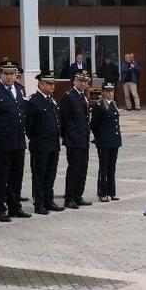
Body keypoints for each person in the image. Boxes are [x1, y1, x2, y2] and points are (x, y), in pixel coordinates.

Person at [0, 60, 31, 223]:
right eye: (6, 74)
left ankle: (15, 206)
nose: (10, 77)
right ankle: (0, 209)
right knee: (1, 177)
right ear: (1, 74)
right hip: (2, 142)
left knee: (16, 176)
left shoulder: (20, 89)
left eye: (12, 74)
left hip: (18, 141)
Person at [25, 71, 64, 215]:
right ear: (40, 84)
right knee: (39, 175)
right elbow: (29, 126)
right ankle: (39, 203)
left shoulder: (51, 100)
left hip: (53, 144)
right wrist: (38, 138)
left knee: (50, 174)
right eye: (48, 83)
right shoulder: (34, 101)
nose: (52, 86)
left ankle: (49, 200)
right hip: (40, 145)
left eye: (53, 83)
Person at [60, 69, 92, 209]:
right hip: (73, 140)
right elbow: (63, 120)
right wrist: (67, 137)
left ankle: (78, 195)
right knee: (74, 169)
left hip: (83, 139)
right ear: (75, 81)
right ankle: (69, 198)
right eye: (81, 81)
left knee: (82, 169)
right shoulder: (69, 97)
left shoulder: (82, 96)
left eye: (85, 81)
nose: (83, 83)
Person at [90, 83, 122, 202]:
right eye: (107, 91)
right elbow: (94, 124)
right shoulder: (99, 106)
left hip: (114, 140)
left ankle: (111, 192)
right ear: (103, 92)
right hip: (104, 141)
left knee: (112, 167)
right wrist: (98, 138)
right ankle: (102, 193)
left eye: (111, 91)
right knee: (103, 167)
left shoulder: (114, 104)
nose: (110, 93)